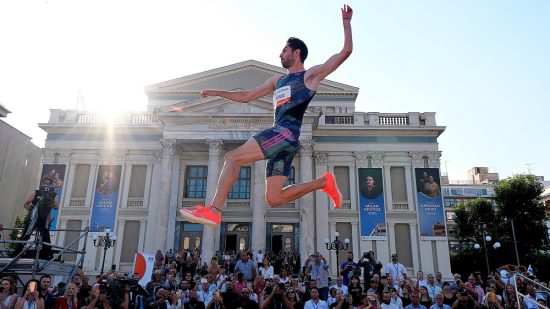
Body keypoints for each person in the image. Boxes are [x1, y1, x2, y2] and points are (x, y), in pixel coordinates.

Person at [180, 4, 354, 226]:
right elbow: (246, 96)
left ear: (296, 52)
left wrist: (346, 24)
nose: (280, 54)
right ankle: (323, 182)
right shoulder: (277, 80)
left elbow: (345, 51)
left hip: (284, 134)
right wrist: (216, 92)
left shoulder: (309, 76)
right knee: (274, 198)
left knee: (232, 157)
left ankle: (213, 210)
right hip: (285, 142)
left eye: (284, 50)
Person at [15, 177, 59, 260]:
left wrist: (53, 205)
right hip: (33, 217)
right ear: (42, 183)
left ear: (51, 184)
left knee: (45, 237)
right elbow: (25, 204)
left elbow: (56, 206)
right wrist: (30, 209)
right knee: (26, 235)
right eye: (45, 183)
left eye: (48, 183)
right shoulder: (36, 192)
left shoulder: (54, 194)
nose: (46, 185)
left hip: (45, 218)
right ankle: (15, 254)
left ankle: (46, 256)